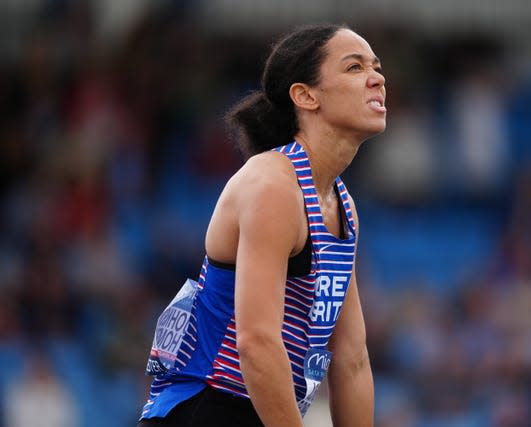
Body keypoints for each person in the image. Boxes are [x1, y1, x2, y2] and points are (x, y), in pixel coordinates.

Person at [137, 23, 386, 427]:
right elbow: (256, 343)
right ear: (305, 96)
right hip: (206, 411)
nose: (378, 78)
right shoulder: (272, 185)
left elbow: (353, 360)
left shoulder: (342, 204)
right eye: (355, 68)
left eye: (376, 67)